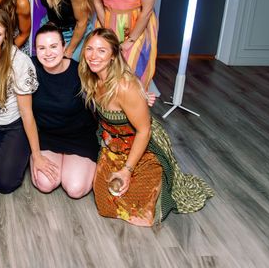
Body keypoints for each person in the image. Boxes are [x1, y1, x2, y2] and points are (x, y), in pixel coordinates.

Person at [79, 28, 213, 226]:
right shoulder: (91, 79)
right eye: (89, 49)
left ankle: (157, 179)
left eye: (101, 50)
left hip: (143, 147)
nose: (93, 56)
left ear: (113, 55)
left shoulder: (124, 86)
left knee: (140, 215)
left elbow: (144, 131)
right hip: (112, 146)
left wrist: (127, 170)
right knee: (106, 203)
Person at [0, 9, 55, 194]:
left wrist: (38, 155)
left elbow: (27, 113)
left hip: (15, 126)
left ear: (6, 36)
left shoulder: (18, 62)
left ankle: (23, 152)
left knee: (4, 183)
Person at [30, 23, 98, 198]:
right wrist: (37, 156)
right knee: (45, 184)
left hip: (79, 137)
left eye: (53, 46)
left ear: (64, 47)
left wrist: (138, 91)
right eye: (42, 48)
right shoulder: (30, 68)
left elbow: (109, 82)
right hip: (46, 136)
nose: (48, 53)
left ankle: (72, 165)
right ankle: (56, 162)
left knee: (75, 189)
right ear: (35, 50)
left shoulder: (81, 71)